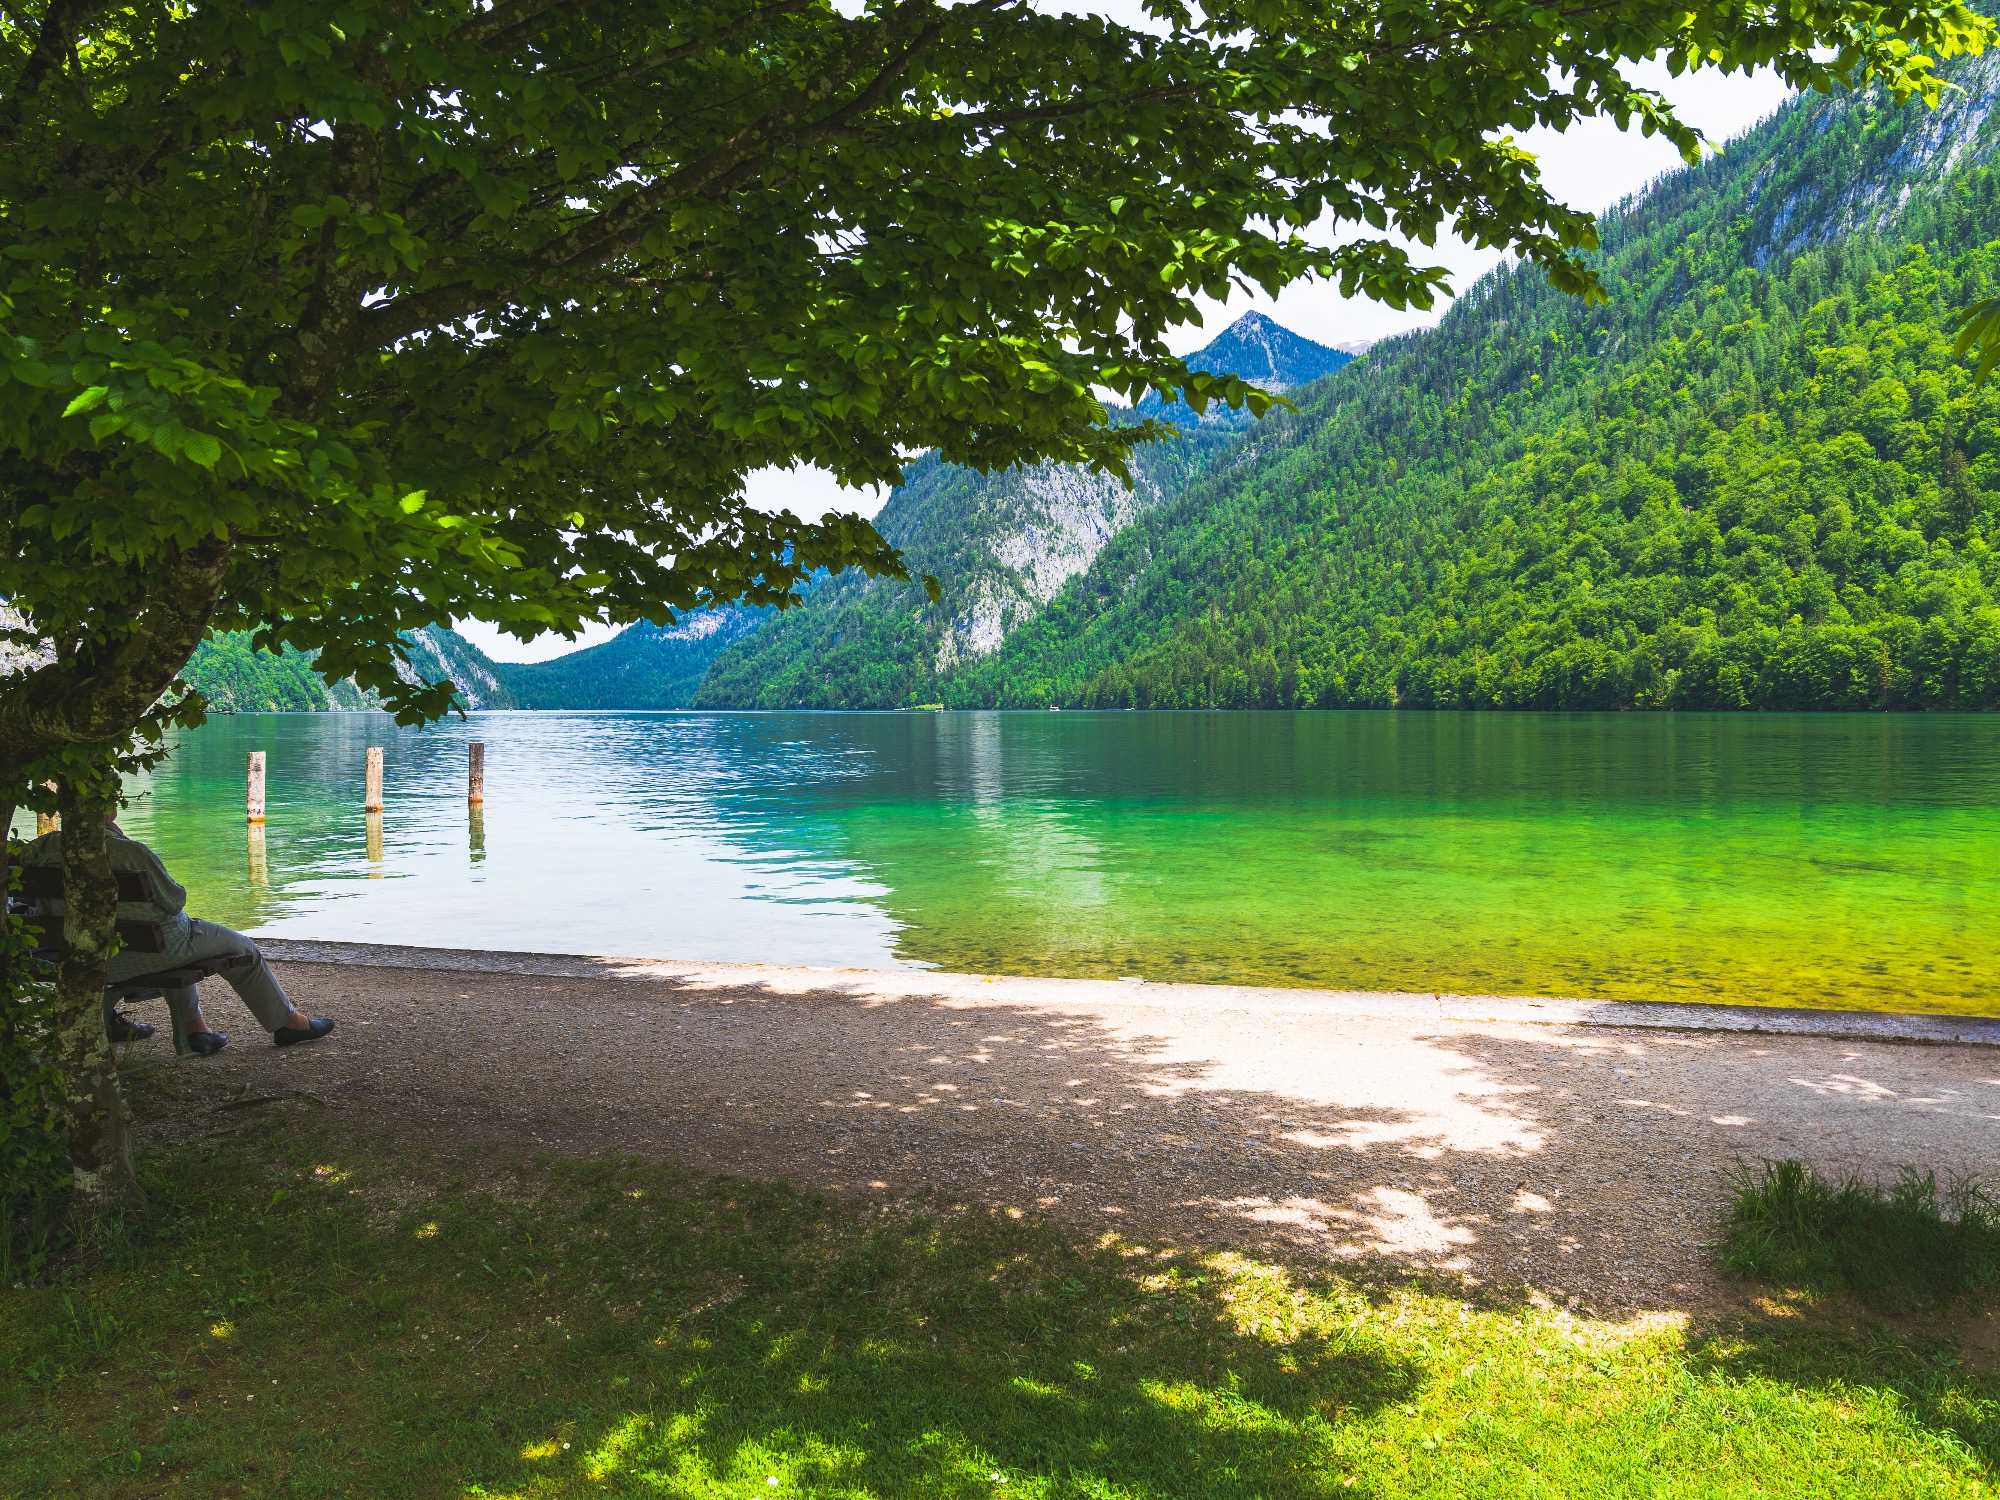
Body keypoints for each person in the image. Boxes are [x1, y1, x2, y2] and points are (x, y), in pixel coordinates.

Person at [17, 811, 334, 1057]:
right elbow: (174, 901)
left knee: (174, 948)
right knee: (243, 950)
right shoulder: (129, 853)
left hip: (79, 956)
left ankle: (197, 1030)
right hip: (149, 953)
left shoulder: (40, 850)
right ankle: (288, 1024)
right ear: (110, 811)